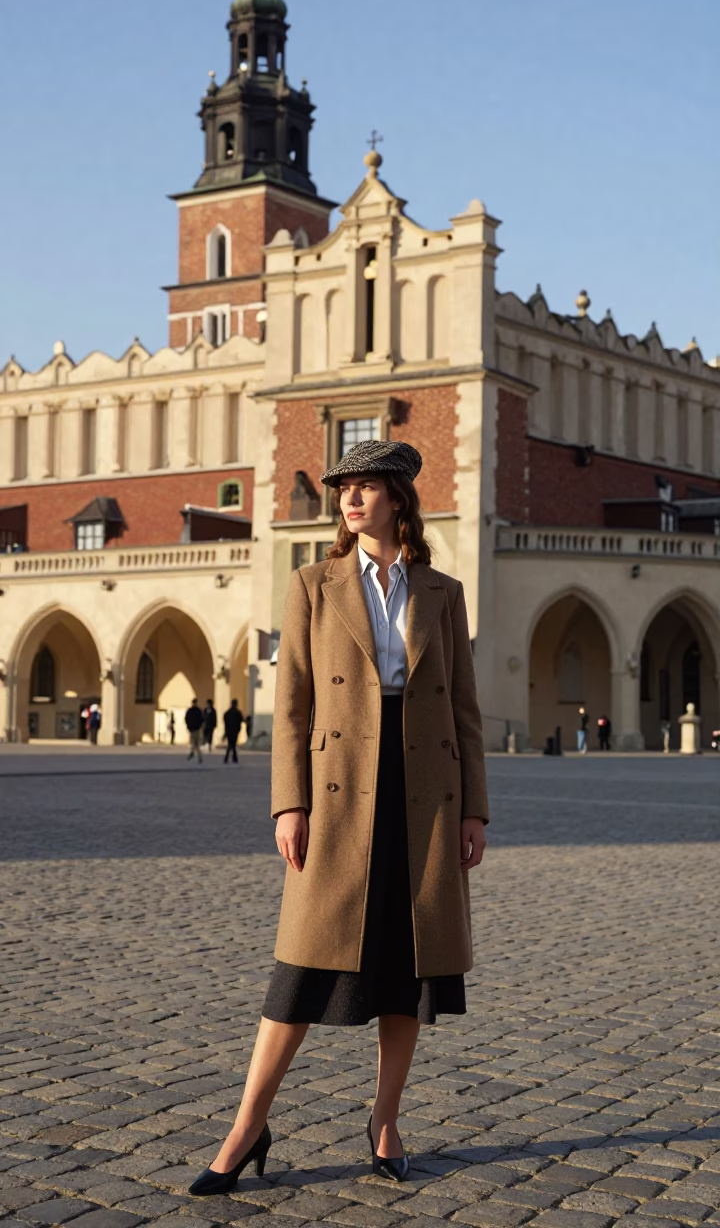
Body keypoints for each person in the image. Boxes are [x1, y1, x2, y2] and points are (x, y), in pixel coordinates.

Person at [189, 438, 489, 1198]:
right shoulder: (312, 585)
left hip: (425, 790)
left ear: (397, 497)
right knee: (300, 969)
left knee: (410, 968)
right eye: (343, 488)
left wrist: (474, 811)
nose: (351, 499)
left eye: (365, 487)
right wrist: (287, 802)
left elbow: (465, 709)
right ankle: (246, 1126)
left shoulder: (441, 592)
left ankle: (385, 1122)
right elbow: (288, 704)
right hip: (337, 786)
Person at [224, 700, 243, 764]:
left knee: (231, 744)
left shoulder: (231, 713)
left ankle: (230, 758)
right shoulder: (235, 713)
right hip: (232, 731)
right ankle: (233, 758)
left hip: (232, 731)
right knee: (232, 745)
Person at [185, 699, 204, 763]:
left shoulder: (190, 711)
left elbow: (186, 719)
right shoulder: (198, 711)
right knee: (196, 744)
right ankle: (198, 756)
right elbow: (202, 720)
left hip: (193, 729)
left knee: (194, 743)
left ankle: (193, 753)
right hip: (196, 729)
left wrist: (188, 726)